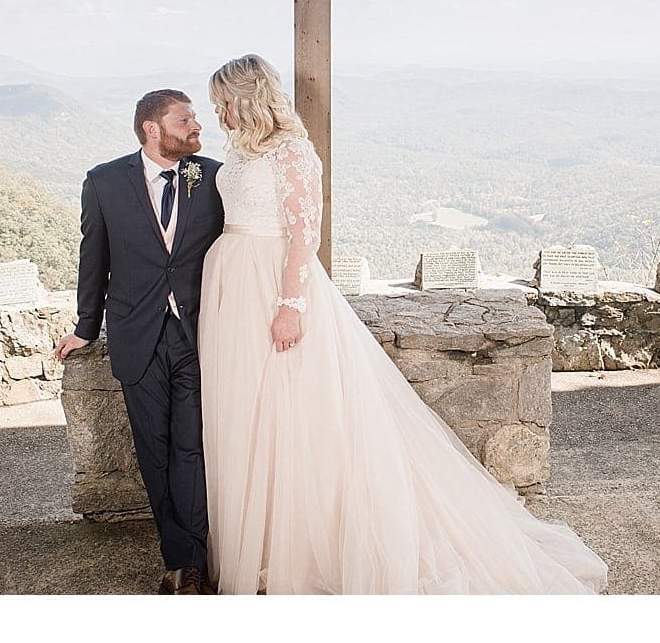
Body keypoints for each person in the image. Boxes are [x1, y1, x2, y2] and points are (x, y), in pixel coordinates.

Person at [195, 54, 607, 594]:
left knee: (301, 417)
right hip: (233, 289)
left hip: (274, 286)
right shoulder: (239, 153)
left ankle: (309, 544)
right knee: (248, 413)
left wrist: (290, 306)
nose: (217, 112)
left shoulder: (293, 152)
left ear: (244, 98)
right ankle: (266, 536)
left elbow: (304, 235)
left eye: (222, 101)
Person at [54, 90, 225, 594]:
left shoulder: (212, 176)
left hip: (198, 333)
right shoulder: (104, 182)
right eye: (185, 119)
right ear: (153, 129)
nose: (197, 125)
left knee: (191, 449)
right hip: (136, 335)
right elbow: (95, 258)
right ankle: (178, 556)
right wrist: (87, 327)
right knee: (154, 451)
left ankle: (190, 565)